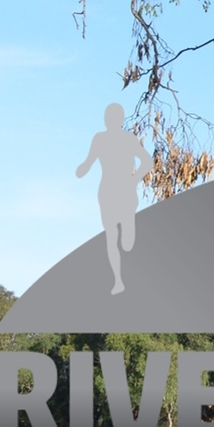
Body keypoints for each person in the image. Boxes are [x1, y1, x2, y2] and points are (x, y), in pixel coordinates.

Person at [75, 103, 154, 295]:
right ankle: (118, 281)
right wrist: (82, 169)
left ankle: (129, 229)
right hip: (107, 192)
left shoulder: (129, 139)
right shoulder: (99, 139)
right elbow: (89, 161)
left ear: (117, 119)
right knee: (111, 237)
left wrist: (134, 180)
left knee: (127, 244)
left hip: (124, 190)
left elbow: (147, 161)